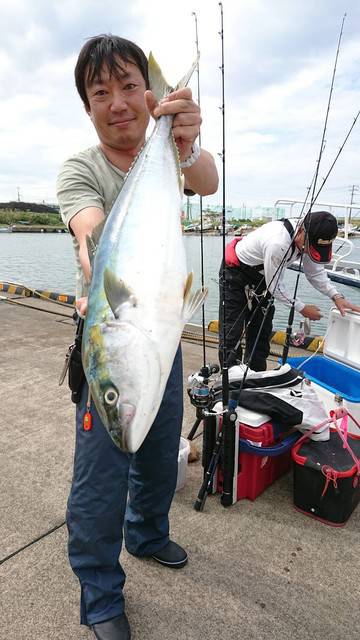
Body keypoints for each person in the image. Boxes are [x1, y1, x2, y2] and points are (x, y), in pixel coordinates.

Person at [57, 34, 218, 640]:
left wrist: (182, 138)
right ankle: (100, 597)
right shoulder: (81, 168)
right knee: (100, 476)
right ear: (88, 106)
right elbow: (89, 229)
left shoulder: (168, 151)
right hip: (112, 340)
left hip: (164, 339)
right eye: (103, 92)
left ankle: (147, 534)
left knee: (156, 451)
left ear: (146, 91)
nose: (119, 101)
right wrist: (98, 256)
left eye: (130, 86)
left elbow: (208, 180)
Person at [219, 211, 360, 371]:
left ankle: (255, 380)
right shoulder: (278, 243)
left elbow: (314, 272)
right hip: (236, 273)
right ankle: (230, 382)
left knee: (261, 334)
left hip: (263, 278)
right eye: (308, 247)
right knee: (231, 333)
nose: (306, 252)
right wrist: (302, 308)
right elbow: (275, 286)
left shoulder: (308, 236)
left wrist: (336, 296)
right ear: (301, 231)